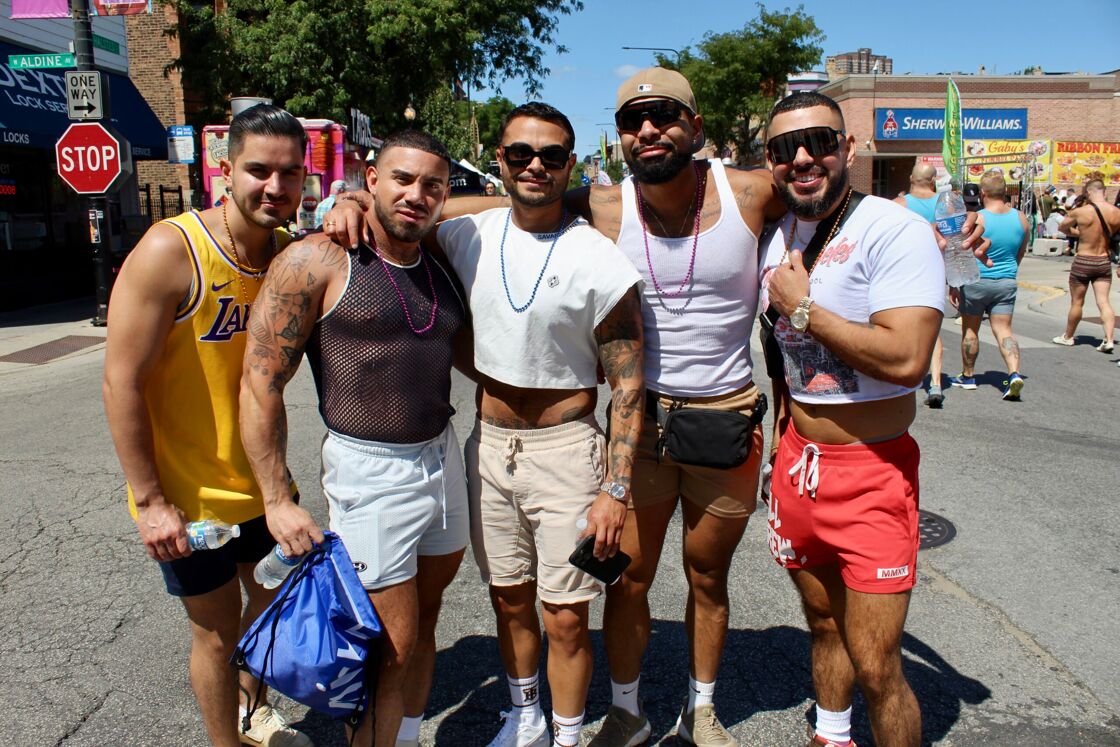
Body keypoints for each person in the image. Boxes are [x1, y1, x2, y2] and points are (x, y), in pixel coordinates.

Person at [323, 104, 646, 747]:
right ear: (499, 161)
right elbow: (400, 214)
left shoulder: (597, 259)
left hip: (567, 448)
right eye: (520, 154)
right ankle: (524, 716)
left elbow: (630, 383)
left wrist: (615, 490)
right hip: (489, 448)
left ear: (569, 166)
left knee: (566, 617)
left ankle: (569, 732)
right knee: (509, 599)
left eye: (551, 156)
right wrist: (351, 200)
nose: (535, 166)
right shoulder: (466, 232)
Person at [240, 130, 469, 747]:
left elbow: (521, 204)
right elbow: (260, 382)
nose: (416, 195)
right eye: (401, 179)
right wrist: (276, 497)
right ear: (372, 178)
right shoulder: (318, 259)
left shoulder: (439, 261)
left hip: (441, 457)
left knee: (423, 621)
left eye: (433, 186)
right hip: (371, 468)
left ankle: (405, 734)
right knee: (383, 650)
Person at [102, 104, 313, 747]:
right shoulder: (173, 249)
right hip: (189, 497)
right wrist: (150, 501)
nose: (273, 187)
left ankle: (253, 714)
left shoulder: (289, 255)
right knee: (217, 630)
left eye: (289, 174)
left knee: (273, 610)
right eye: (258, 170)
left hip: (262, 485)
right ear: (225, 168)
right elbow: (121, 381)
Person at [759, 91, 945, 747]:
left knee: (876, 663)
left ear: (849, 149)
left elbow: (906, 357)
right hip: (796, 467)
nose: (803, 157)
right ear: (769, 160)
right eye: (784, 148)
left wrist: (805, 310)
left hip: (872, 471)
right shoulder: (774, 231)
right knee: (823, 622)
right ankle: (831, 733)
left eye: (818, 142)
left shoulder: (893, 230)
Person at [948, 171, 1029, 400]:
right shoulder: (1020, 218)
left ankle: (968, 375)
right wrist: (1010, 272)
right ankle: (1013, 373)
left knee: (970, 329)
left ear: (982, 193)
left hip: (977, 280)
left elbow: (961, 253)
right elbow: (1021, 252)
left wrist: (954, 284)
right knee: (1004, 330)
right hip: (1006, 281)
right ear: (1005, 191)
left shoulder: (977, 218)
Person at [893, 163, 946, 408]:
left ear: (911, 178)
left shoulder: (899, 205)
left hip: (905, 273)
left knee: (899, 325)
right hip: (936, 272)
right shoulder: (946, 205)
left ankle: (902, 376)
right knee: (932, 327)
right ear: (933, 179)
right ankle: (935, 382)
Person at [1052, 178, 1118, 353]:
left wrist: (1078, 232)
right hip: (1103, 260)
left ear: (1089, 192)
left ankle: (1068, 336)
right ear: (1103, 191)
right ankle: (1109, 339)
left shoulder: (1080, 212)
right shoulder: (1116, 212)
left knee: (1077, 303)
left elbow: (1063, 228)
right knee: (1104, 302)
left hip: (1083, 260)